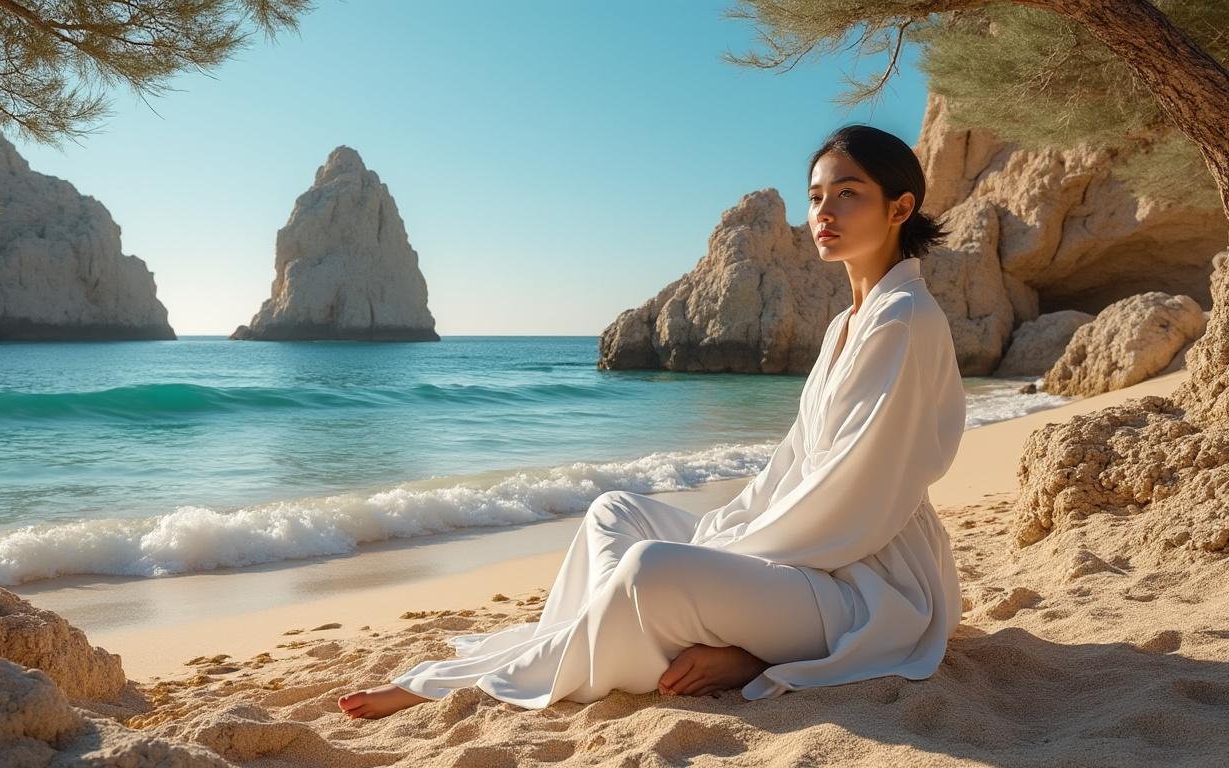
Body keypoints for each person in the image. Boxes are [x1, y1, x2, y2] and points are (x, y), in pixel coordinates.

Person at [337, 124, 966, 719]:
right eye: (816, 196)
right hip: (809, 559)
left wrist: (722, 552)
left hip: (867, 584)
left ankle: (505, 677)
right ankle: (702, 645)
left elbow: (852, 497)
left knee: (650, 569)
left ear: (899, 208)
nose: (823, 213)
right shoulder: (844, 324)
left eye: (849, 194)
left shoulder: (902, 318)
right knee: (616, 513)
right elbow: (793, 465)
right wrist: (723, 532)